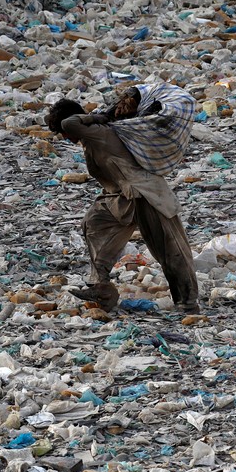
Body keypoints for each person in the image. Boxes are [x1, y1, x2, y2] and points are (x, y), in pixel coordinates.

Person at [45, 97, 200, 314]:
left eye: (63, 132)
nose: (65, 136)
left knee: (170, 250)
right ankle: (102, 288)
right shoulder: (91, 137)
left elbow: (68, 124)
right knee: (94, 222)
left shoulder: (98, 131)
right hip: (122, 197)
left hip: (146, 195)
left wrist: (97, 116)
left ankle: (188, 303)